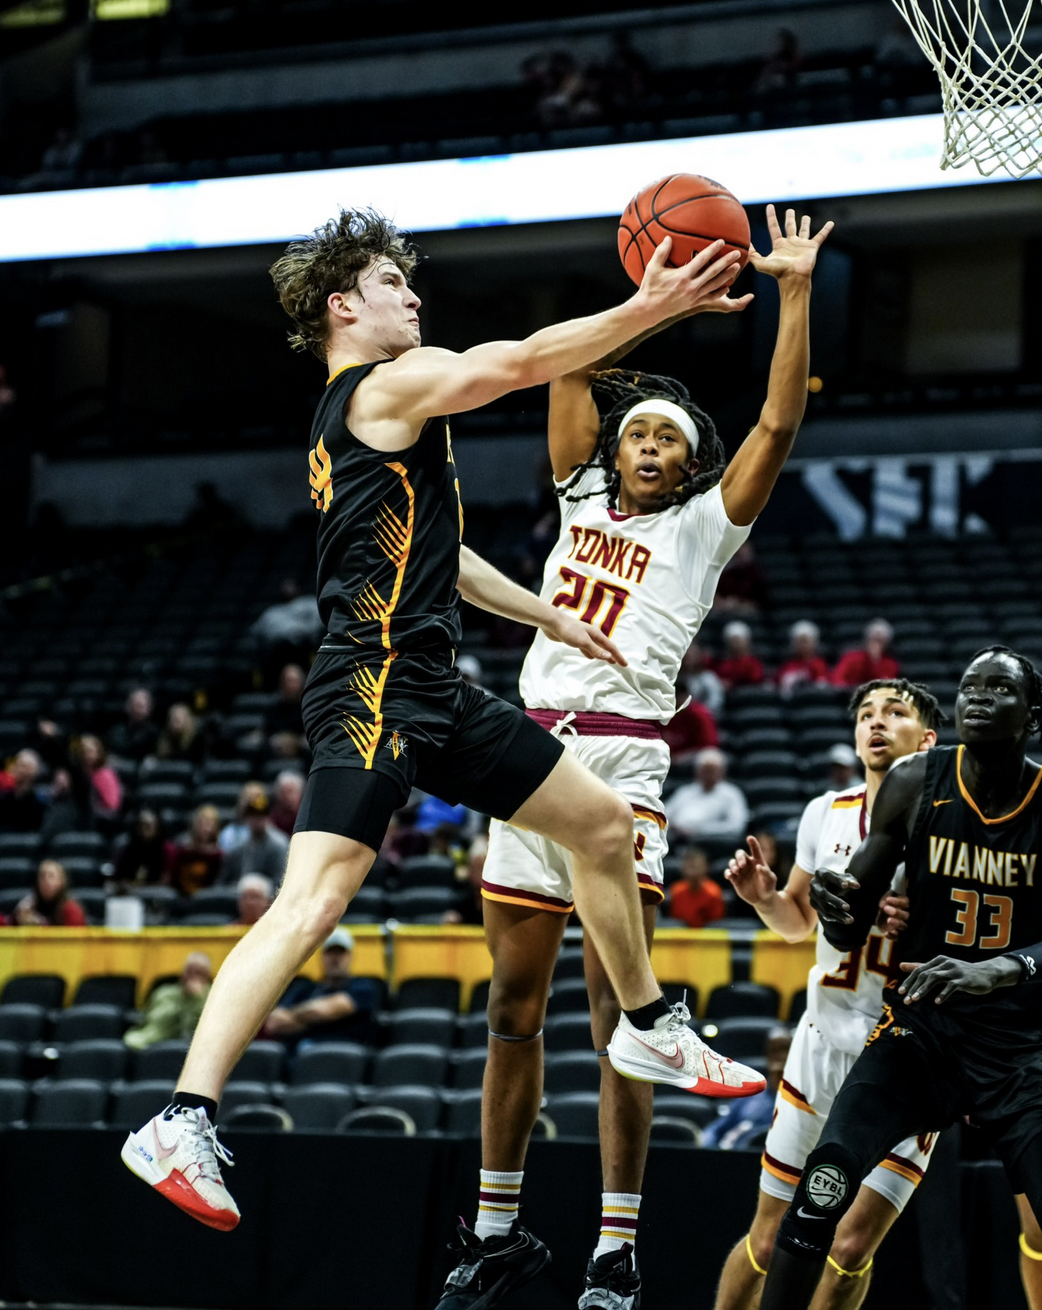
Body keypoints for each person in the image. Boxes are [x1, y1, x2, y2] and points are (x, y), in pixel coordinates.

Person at [121, 202, 753, 1233]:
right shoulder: (383, 383)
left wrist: (549, 609)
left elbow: (441, 559)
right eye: (390, 283)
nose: (413, 295)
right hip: (372, 676)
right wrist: (649, 306)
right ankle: (182, 1114)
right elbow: (524, 360)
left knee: (597, 823)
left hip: (432, 685)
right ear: (343, 306)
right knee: (317, 896)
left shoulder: (367, 423)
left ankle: (645, 1022)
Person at [444, 202, 834, 1310]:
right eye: (639, 432)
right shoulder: (576, 492)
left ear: (690, 458)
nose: (650, 443)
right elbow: (567, 368)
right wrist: (645, 289)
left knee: (625, 1022)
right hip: (525, 760)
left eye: (669, 435)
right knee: (510, 1006)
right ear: (616, 448)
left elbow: (776, 425)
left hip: (617, 767)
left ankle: (614, 1246)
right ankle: (495, 1225)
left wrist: (791, 290)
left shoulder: (707, 524)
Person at [755, 647, 1042, 1310]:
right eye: (969, 686)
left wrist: (1000, 970)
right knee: (822, 1184)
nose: (977, 698)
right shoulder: (917, 780)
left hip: (1018, 1049)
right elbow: (852, 923)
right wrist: (839, 907)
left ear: (1032, 716)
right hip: (919, 1037)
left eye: (999, 689)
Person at [713, 678, 941, 1310]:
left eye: (894, 713)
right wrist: (764, 899)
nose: (875, 722)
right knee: (768, 1238)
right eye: (866, 713)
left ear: (927, 738)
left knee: (848, 1250)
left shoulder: (951, 828)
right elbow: (796, 923)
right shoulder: (826, 811)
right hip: (822, 1046)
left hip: (906, 1056)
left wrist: (924, 919)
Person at [262, 927, 377, 1048]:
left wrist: (296, 1018)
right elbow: (273, 1023)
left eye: (340, 953)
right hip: (301, 1056)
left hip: (345, 1056)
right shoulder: (305, 988)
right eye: (330, 952)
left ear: (350, 956)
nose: (335, 958)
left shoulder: (362, 986)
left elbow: (328, 1010)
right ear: (322, 956)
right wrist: (316, 1018)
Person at [703, 1027, 792, 1149]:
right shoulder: (750, 1095)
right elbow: (716, 1130)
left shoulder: (803, 1097)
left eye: (785, 1050)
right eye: (774, 1050)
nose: (780, 1056)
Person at [125, 954, 213, 1050]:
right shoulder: (164, 993)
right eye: (190, 970)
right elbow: (150, 1019)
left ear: (207, 976)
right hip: (150, 1039)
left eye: (199, 972)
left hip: (192, 1047)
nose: (192, 976)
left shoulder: (212, 996)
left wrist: (196, 999)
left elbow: (194, 1028)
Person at [665, 747, 750, 844]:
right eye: (705, 770)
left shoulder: (732, 793)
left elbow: (736, 826)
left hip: (714, 843)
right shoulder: (685, 792)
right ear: (698, 771)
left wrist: (698, 830)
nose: (709, 775)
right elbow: (665, 815)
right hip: (679, 840)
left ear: (722, 772)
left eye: (713, 770)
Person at [218, 790, 289, 885]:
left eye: (261, 817)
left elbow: (280, 880)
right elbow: (224, 879)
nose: (257, 821)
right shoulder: (239, 844)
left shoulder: (279, 844)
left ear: (268, 818)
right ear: (247, 818)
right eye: (254, 817)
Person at [166, 804, 223, 897]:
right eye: (201, 824)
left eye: (208, 824)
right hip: (182, 897)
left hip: (207, 900)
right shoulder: (183, 852)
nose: (204, 828)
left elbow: (218, 884)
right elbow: (173, 879)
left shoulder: (218, 856)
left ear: (215, 828)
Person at [13, 859, 87, 926]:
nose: (46, 881)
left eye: (51, 876)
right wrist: (19, 919)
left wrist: (41, 926)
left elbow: (74, 938)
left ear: (62, 881)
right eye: (42, 876)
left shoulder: (71, 909)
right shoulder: (29, 906)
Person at [112, 809, 174, 887]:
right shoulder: (127, 849)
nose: (144, 830)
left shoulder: (166, 850)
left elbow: (166, 880)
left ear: (157, 827)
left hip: (156, 893)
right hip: (130, 894)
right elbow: (119, 878)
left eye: (148, 826)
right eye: (141, 826)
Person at [668, 846, 726, 928]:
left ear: (705, 867)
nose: (692, 869)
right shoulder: (676, 891)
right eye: (689, 865)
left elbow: (716, 924)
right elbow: (675, 921)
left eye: (696, 865)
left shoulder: (714, 892)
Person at [832, 619, 899, 688]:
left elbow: (885, 686)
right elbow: (837, 680)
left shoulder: (890, 664)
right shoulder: (850, 658)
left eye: (880, 641)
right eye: (873, 639)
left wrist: (875, 661)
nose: (875, 644)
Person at [777, 620, 830, 694]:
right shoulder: (787, 665)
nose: (802, 645)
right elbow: (778, 685)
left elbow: (822, 687)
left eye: (805, 641)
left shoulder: (819, 664)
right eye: (799, 641)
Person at [108, 688, 160, 762]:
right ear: (127, 707)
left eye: (141, 706)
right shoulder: (116, 732)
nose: (137, 710)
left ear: (149, 709)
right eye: (135, 705)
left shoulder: (156, 733)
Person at [0, 749, 46, 833]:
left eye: (28, 768)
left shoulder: (39, 806)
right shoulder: (3, 800)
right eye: (21, 766)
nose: (23, 771)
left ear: (35, 773)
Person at [715, 620, 765, 689]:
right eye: (733, 640)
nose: (736, 644)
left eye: (738, 640)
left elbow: (756, 680)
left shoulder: (753, 663)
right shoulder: (725, 665)